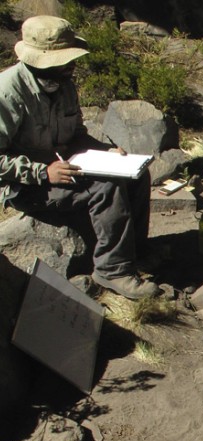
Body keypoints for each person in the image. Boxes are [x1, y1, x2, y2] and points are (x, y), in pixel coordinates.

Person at [0, 15, 158, 299]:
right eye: (65, 62)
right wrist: (42, 172)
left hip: (64, 167)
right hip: (27, 185)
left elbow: (76, 135)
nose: (72, 68)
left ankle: (135, 253)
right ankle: (112, 270)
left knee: (137, 175)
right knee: (106, 188)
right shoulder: (7, 93)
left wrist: (104, 150)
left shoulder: (63, 85)